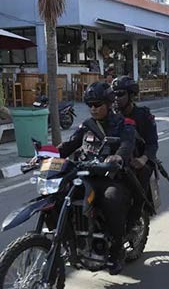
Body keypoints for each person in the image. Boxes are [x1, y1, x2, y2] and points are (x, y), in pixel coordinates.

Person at [56, 80, 137, 273]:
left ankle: (116, 251)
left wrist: (118, 156)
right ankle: (70, 242)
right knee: (60, 195)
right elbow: (69, 145)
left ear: (108, 103)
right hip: (85, 175)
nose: (93, 109)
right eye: (90, 105)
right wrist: (47, 154)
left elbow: (127, 144)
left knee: (112, 199)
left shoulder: (123, 123)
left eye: (97, 104)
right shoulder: (86, 125)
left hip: (110, 177)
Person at [111, 76, 158, 203]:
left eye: (120, 94)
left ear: (131, 95)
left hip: (139, 158)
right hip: (115, 159)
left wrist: (143, 159)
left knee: (143, 173)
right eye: (113, 94)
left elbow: (152, 143)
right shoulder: (110, 116)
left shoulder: (143, 115)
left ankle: (135, 215)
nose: (116, 98)